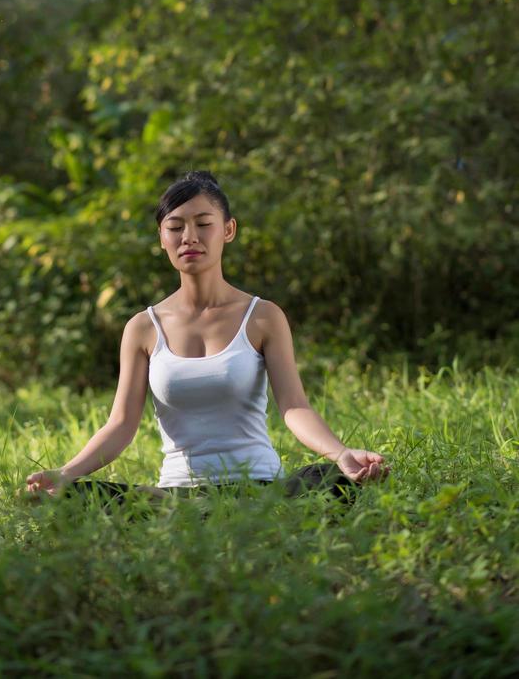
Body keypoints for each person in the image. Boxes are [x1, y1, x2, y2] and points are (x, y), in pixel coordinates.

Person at [25, 171, 388, 505]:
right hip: (177, 498)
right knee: (78, 499)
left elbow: (294, 406)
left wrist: (341, 454)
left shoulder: (263, 317)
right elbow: (121, 424)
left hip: (262, 491)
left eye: (203, 224)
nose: (190, 238)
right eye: (175, 227)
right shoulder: (142, 328)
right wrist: (67, 473)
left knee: (331, 481)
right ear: (161, 237)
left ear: (228, 230)